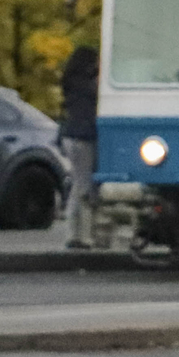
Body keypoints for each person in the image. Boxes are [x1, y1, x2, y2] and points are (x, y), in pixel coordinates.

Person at [59, 46, 100, 248]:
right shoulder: (89, 85)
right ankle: (84, 236)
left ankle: (72, 233)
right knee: (84, 186)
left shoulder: (71, 83)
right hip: (84, 137)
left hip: (68, 135)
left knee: (77, 183)